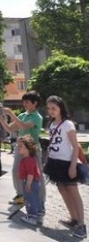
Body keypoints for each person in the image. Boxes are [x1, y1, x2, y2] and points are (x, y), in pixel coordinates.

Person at [43, 96, 86, 239]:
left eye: (53, 108)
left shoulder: (68, 124)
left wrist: (73, 166)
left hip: (66, 163)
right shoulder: (51, 124)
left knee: (73, 193)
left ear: (61, 107)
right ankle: (73, 219)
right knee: (62, 190)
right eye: (49, 109)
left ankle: (82, 225)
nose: (51, 111)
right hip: (54, 162)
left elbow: (75, 146)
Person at [0, 91, 46, 208]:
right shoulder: (22, 115)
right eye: (24, 101)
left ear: (35, 103)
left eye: (27, 102)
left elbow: (23, 126)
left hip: (33, 149)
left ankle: (41, 199)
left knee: (37, 174)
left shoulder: (37, 117)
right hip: (20, 148)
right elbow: (9, 129)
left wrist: (11, 114)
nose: (24, 103)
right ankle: (20, 196)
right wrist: (1, 119)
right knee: (16, 171)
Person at [17, 136, 44, 226]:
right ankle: (39, 212)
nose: (18, 147)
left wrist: (28, 184)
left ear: (27, 149)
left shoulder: (28, 160)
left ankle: (32, 217)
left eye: (20, 146)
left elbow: (30, 173)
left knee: (30, 199)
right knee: (36, 198)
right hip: (33, 182)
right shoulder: (27, 159)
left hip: (31, 182)